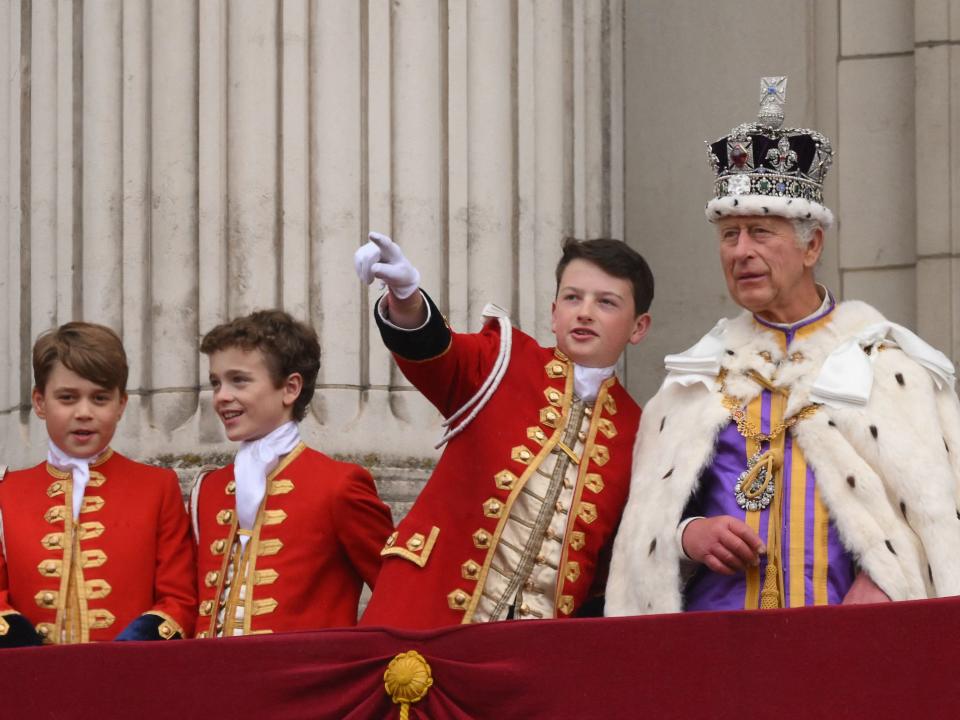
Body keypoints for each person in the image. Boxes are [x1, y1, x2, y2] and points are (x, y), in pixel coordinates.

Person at [606, 77, 960, 616]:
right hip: (714, 654)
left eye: (760, 232)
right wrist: (688, 535)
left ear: (811, 243)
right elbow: (643, 538)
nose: (741, 251)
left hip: (847, 647)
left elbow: (938, 517)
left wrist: (890, 578)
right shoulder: (693, 381)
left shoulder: (889, 369)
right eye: (729, 235)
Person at [353, 233, 653, 628]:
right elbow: (435, 352)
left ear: (638, 327)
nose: (584, 312)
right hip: (424, 615)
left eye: (606, 302)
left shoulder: (639, 432)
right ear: (553, 312)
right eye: (572, 298)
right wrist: (406, 298)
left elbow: (609, 573)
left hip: (531, 650)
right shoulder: (502, 358)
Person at [191, 309, 393, 637]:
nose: (221, 396)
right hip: (213, 683)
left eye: (238, 380)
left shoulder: (338, 484)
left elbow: (397, 590)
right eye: (216, 383)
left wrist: (352, 659)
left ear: (290, 388)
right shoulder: (211, 488)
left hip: (308, 685)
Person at [0, 322, 197, 646]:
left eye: (100, 398)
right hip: (27, 683)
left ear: (120, 405)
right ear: (39, 402)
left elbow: (180, 599)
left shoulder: (157, 487)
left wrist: (123, 654)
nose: (84, 412)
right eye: (67, 398)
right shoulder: (6, 493)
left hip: (129, 681)